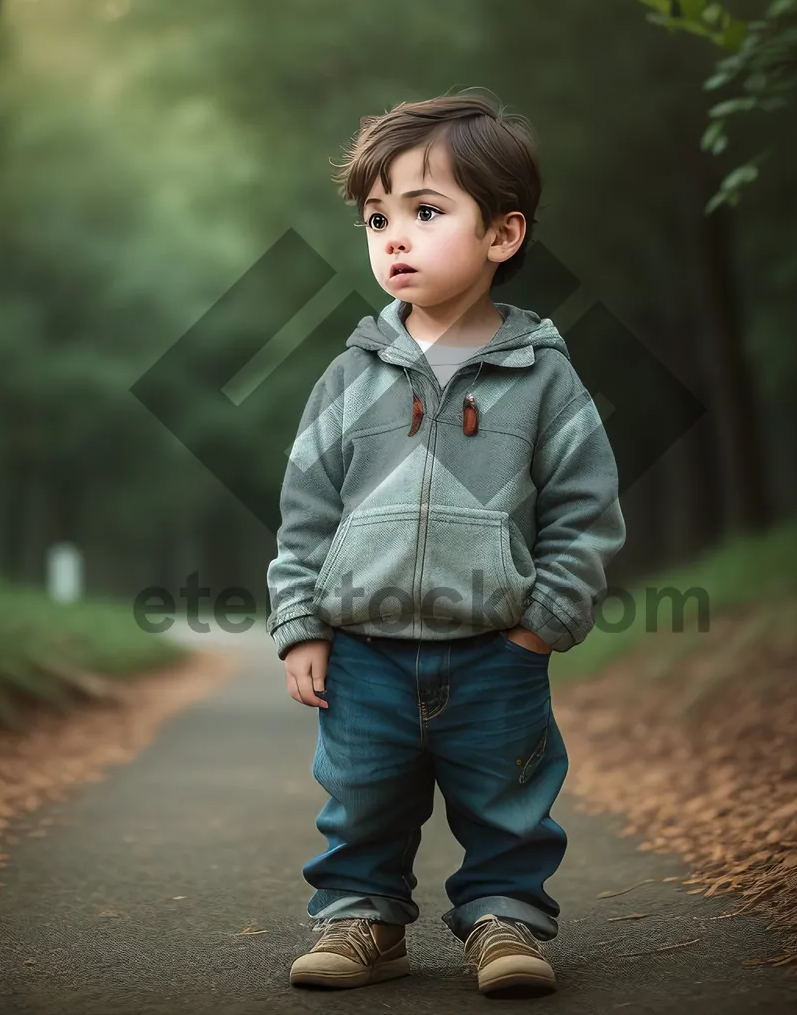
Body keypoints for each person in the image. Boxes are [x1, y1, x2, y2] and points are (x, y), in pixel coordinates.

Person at [265, 90, 626, 997]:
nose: (395, 237)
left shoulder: (543, 377)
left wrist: (544, 623)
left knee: (507, 805)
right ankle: (360, 920)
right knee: (362, 801)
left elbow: (586, 509)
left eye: (427, 213)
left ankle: (506, 921)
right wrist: (302, 621)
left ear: (502, 235)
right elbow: (305, 508)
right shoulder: (349, 375)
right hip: (364, 652)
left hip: (495, 651)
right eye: (377, 218)